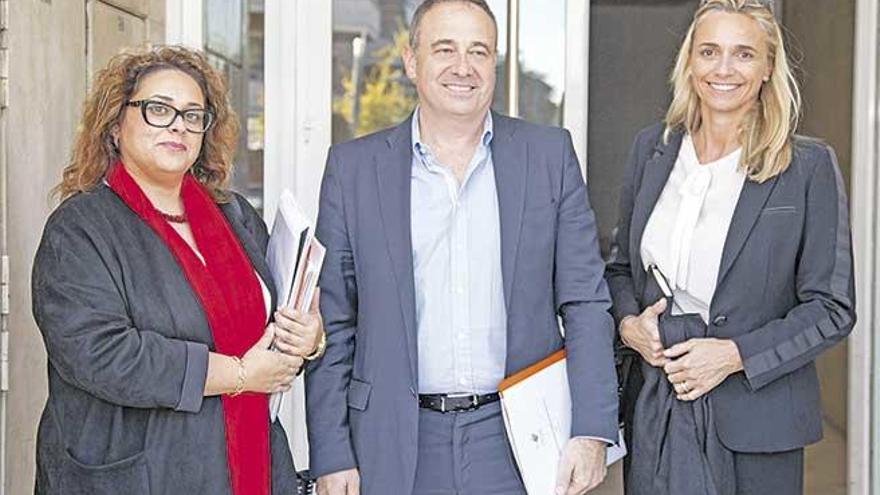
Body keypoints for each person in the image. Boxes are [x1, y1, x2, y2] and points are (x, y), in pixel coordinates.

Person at [305, 1, 619, 494]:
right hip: (393, 438)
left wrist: (592, 429)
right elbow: (334, 321)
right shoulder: (353, 170)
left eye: (479, 51)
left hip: (517, 438)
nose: (463, 67)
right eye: (444, 49)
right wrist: (330, 452)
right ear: (412, 61)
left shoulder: (548, 156)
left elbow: (585, 302)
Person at [31, 45, 325, 495]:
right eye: (158, 109)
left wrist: (307, 338)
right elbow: (102, 355)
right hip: (135, 475)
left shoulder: (236, 216)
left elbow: (271, 330)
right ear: (115, 124)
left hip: (248, 466)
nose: (178, 125)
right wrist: (240, 376)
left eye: (193, 115)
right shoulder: (79, 229)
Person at [605, 1, 855, 494]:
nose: (723, 69)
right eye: (709, 51)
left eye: (743, 54)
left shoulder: (808, 166)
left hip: (757, 422)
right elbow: (620, 270)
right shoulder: (650, 150)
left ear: (767, 68)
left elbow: (832, 308)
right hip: (656, 406)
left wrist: (735, 355)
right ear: (689, 62)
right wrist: (628, 324)